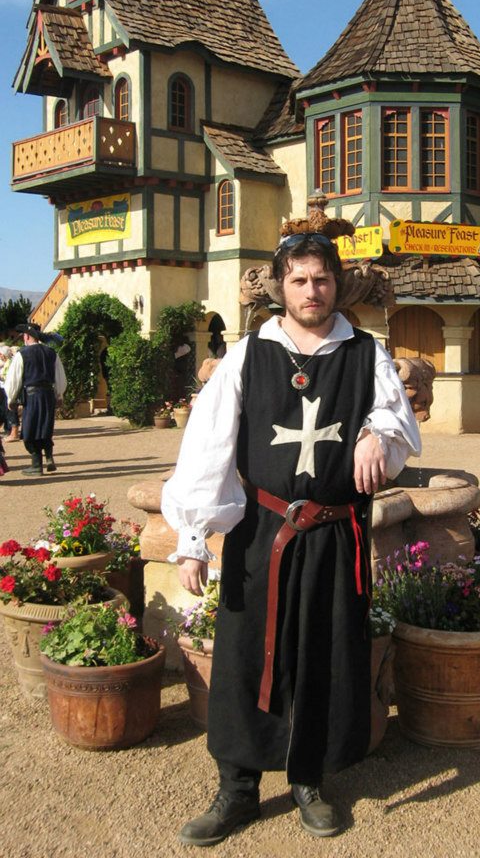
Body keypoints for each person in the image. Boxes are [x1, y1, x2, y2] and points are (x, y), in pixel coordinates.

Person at [161, 232, 421, 846]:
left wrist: (377, 433)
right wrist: (194, 534)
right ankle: (238, 788)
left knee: (324, 654)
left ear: (336, 283)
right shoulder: (250, 353)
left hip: (335, 534)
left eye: (322, 279)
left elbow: (398, 419)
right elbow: (209, 445)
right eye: (300, 280)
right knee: (248, 654)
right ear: (282, 286)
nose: (312, 291)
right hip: (262, 535)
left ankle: (310, 779)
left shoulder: (365, 353)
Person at [4, 323, 67, 476]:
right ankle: (49, 457)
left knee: (30, 429)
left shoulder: (22, 354)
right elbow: (60, 377)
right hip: (48, 395)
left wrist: (11, 399)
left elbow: (14, 379)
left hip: (32, 396)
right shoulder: (52, 353)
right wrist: (60, 395)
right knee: (45, 426)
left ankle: (36, 465)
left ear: (27, 336)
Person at [0, 346, 19, 442]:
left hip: (8, 389)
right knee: (5, 410)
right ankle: (10, 431)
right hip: (5, 389)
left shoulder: (10, 362)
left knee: (10, 410)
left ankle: (14, 432)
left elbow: (8, 376)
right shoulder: (7, 362)